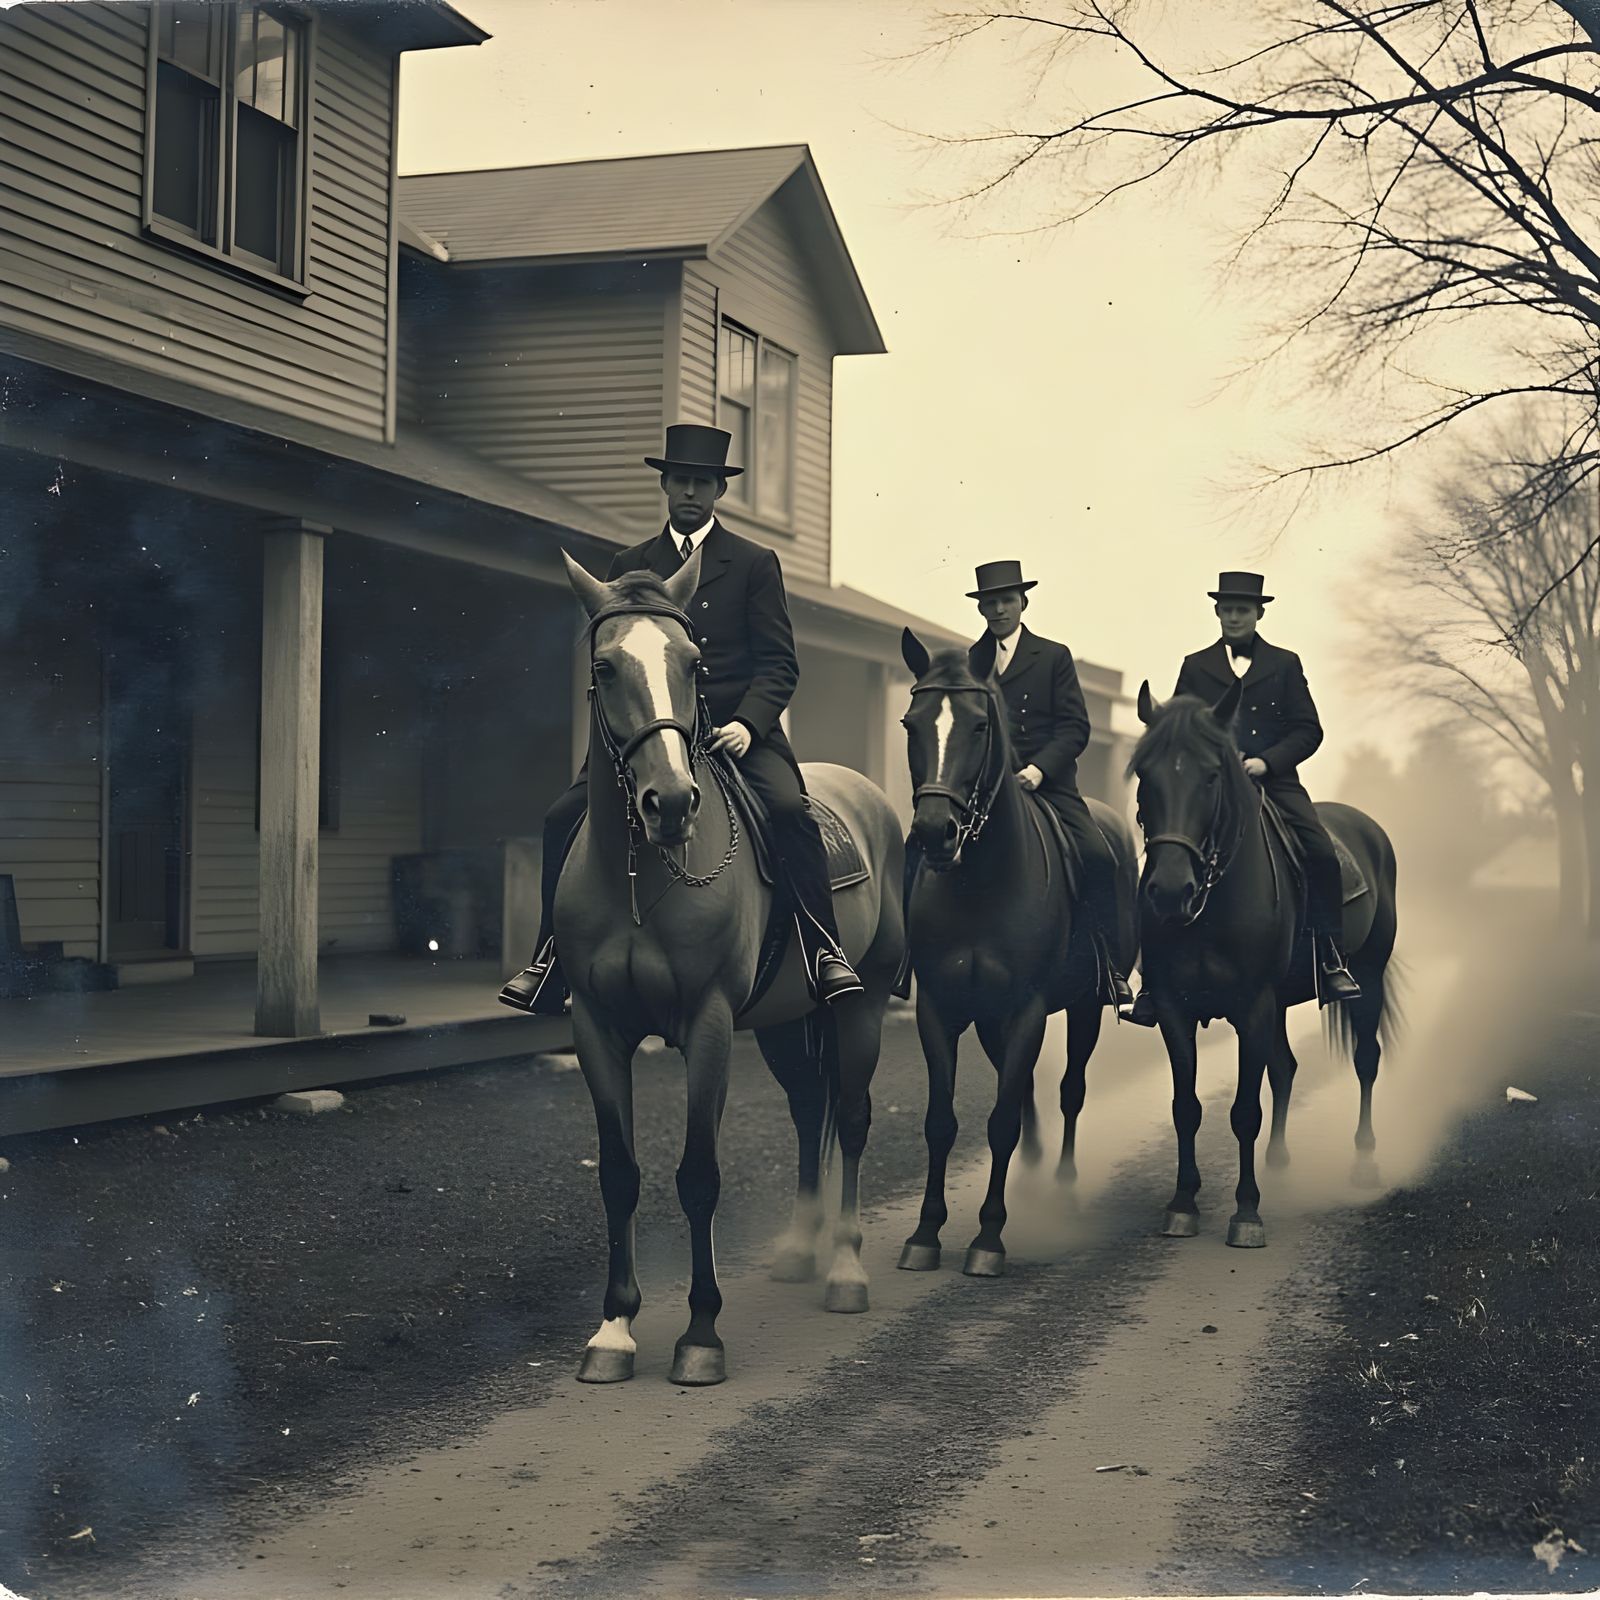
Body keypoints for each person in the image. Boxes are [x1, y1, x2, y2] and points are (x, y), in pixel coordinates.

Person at [499, 423, 863, 1015]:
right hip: (647, 730)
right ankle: (548, 960)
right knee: (562, 814)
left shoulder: (753, 563)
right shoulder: (630, 563)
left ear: (718, 490)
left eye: (703, 482)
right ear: (665, 485)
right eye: (680, 481)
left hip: (735, 735)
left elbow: (779, 664)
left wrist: (748, 723)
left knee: (792, 812)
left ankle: (823, 950)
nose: (690, 492)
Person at [1126, 570, 1361, 1025]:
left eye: (1243, 610)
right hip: (1210, 786)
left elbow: (1308, 729)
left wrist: (1266, 762)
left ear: (1258, 614)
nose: (1234, 616)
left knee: (1318, 850)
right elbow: (1179, 725)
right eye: (1227, 609)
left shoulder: (1286, 663)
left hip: (1273, 781)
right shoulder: (1195, 665)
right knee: (1160, 862)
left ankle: (1330, 959)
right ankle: (1152, 981)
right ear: (1217, 612)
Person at [899, 559, 1133, 1010]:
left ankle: (1107, 965)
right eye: (990, 602)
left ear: (1023, 603)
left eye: (1006, 600)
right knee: (915, 848)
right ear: (982, 609)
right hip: (983, 792)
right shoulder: (968, 664)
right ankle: (909, 958)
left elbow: (1074, 728)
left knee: (1097, 855)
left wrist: (1039, 769)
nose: (999, 609)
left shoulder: (1054, 656)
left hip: (1048, 785)